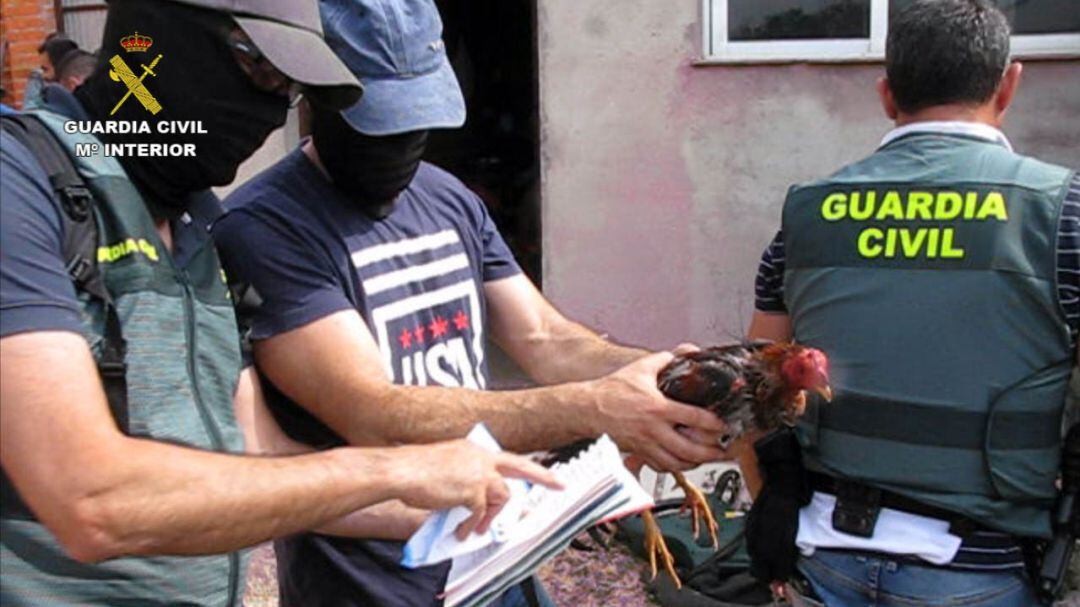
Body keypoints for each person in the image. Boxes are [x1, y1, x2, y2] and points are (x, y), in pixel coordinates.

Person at [0, 0, 559, 605]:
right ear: (154, 40)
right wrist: (391, 468)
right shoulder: (21, 181)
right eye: (261, 71)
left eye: (288, 88)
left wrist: (472, 501)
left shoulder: (200, 226)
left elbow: (261, 452)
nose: (269, 113)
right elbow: (88, 499)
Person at [212, 0, 729, 604]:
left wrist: (669, 379)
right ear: (315, 97)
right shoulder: (264, 228)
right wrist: (597, 408)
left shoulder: (448, 197)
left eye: (417, 122)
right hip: (376, 586)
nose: (402, 145)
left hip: (499, 562)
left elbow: (545, 339)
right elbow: (370, 410)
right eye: (380, 122)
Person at [747, 1, 1079, 604]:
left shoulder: (806, 214)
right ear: (1009, 84)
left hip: (825, 557)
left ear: (886, 94)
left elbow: (753, 392)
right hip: (982, 567)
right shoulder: (1064, 211)